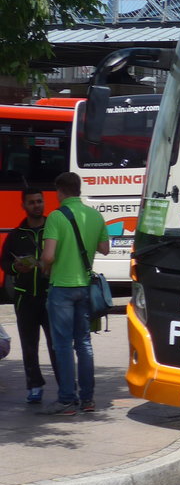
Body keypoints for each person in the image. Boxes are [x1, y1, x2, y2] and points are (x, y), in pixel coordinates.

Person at [38, 172, 109, 415]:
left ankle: (67, 399)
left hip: (62, 289)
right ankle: (88, 400)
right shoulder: (95, 215)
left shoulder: (56, 217)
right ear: (78, 189)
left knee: (63, 346)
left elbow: (48, 256)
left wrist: (42, 266)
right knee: (84, 344)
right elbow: (104, 249)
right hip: (85, 288)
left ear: (60, 191)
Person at [0, 188, 58, 403]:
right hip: (25, 297)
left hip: (50, 296)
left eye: (40, 201)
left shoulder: (52, 230)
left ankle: (65, 386)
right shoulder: (16, 235)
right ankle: (34, 386)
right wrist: (15, 268)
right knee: (29, 345)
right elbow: (4, 262)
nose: (37, 205)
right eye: (32, 202)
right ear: (24, 206)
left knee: (56, 344)